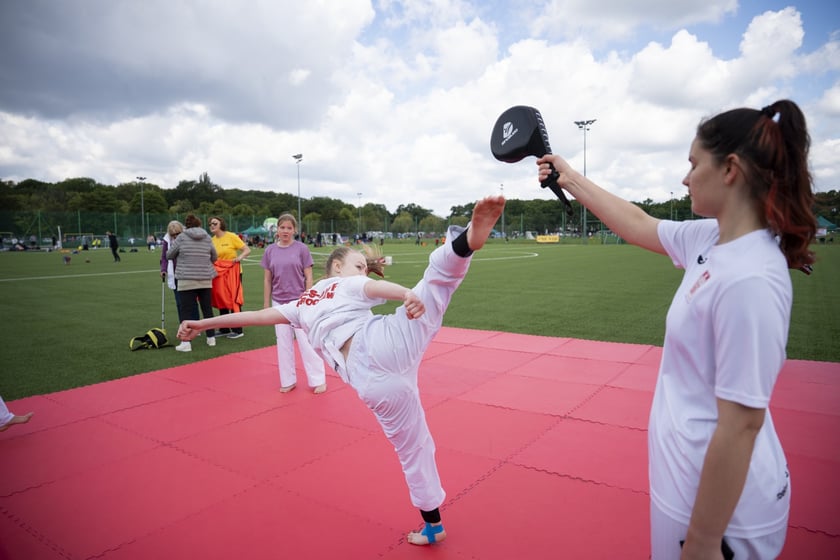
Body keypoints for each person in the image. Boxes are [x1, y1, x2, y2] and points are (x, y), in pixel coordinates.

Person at [537, 99, 816, 560]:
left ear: (729, 169)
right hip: (687, 485)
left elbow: (743, 423)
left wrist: (704, 543)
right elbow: (639, 223)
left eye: (693, 164)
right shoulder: (712, 238)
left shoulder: (751, 276)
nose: (685, 178)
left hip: (727, 515)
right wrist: (569, 177)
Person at [178, 195, 505, 546]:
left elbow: (256, 317)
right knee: (434, 287)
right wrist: (406, 293)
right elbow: (369, 286)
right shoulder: (342, 284)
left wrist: (203, 322)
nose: (362, 269)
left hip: (370, 380)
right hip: (383, 342)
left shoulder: (301, 304)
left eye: (365, 265)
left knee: (412, 449)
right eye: (357, 263)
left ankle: (433, 524)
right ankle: (460, 245)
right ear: (336, 266)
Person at [261, 213, 327, 394]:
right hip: (279, 303)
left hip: (300, 302)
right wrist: (267, 304)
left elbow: (309, 276)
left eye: (289, 228)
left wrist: (308, 298)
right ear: (277, 230)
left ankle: (318, 379)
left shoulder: (302, 249)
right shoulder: (270, 251)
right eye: (282, 227)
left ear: (295, 230)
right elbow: (267, 279)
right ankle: (288, 380)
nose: (285, 231)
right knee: (283, 342)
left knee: (306, 341)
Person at [167, 214, 218, 352]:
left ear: (186, 225)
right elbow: (215, 256)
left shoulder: (182, 237)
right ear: (200, 224)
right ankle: (211, 338)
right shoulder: (207, 237)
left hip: (186, 279)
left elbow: (169, 255)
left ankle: (186, 343)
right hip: (205, 278)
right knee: (207, 309)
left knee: (186, 312)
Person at [209, 216, 251, 339]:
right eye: (210, 224)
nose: (212, 225)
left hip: (233, 272)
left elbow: (246, 250)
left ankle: (238, 329)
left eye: (214, 223)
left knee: (233, 299)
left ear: (221, 224)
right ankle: (224, 329)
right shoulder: (212, 240)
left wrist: (239, 258)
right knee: (221, 299)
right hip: (219, 274)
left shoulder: (231, 236)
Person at [160, 220, 185, 325]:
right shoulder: (167, 240)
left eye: (177, 234)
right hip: (175, 274)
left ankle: (194, 324)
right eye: (173, 234)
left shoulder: (187, 238)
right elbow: (164, 257)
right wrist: (163, 269)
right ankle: (183, 324)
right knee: (179, 303)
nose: (175, 236)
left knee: (189, 302)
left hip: (187, 274)